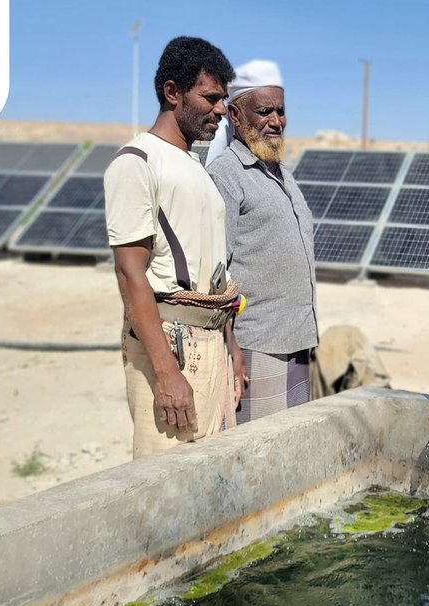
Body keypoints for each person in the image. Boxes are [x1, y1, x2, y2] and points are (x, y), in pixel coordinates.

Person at [104, 36, 244, 457]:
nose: (222, 110)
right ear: (172, 92)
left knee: (211, 477)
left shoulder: (194, 165)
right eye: (211, 97)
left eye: (224, 99)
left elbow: (214, 273)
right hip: (171, 347)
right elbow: (130, 273)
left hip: (211, 344)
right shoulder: (137, 161)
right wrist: (166, 373)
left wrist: (231, 347)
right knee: (166, 480)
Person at [207, 60, 319, 423]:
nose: (276, 121)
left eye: (280, 111)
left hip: (298, 341)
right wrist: (232, 347)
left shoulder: (283, 173)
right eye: (264, 111)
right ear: (236, 116)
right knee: (259, 448)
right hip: (256, 346)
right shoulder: (226, 174)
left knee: (294, 444)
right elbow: (215, 273)